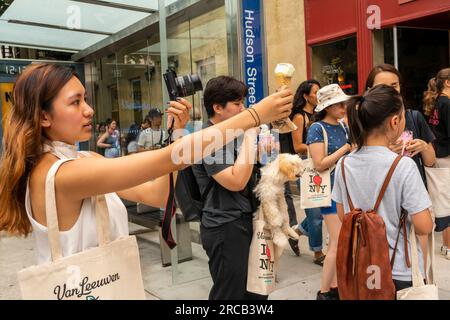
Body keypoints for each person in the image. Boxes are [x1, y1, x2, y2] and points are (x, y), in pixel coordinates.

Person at [0, 63, 293, 267]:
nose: (88, 109)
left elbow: (156, 194)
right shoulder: (62, 173)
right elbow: (168, 159)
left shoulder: (84, 160)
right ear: (43, 117)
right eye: (75, 102)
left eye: (85, 99)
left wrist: (176, 134)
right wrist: (254, 116)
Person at [332, 84, 434, 292]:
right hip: (397, 271)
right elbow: (424, 227)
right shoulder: (403, 165)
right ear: (395, 121)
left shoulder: (343, 164)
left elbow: (343, 216)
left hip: (360, 267)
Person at [192, 76, 266, 300]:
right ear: (217, 107)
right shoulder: (208, 138)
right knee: (230, 294)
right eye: (237, 103)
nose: (243, 108)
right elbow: (236, 181)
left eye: (242, 102)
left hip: (246, 219)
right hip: (225, 226)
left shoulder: (234, 133)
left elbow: (256, 166)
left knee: (256, 291)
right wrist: (251, 134)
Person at [365, 64, 436, 265]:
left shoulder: (414, 117)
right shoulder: (366, 123)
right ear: (370, 90)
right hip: (379, 200)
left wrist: (423, 146)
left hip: (415, 197)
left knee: (418, 259)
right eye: (383, 86)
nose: (390, 90)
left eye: (394, 85)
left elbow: (430, 161)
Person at [306, 84, 352, 300]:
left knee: (340, 241)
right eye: (339, 104)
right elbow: (319, 163)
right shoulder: (317, 128)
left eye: (344, 103)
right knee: (336, 241)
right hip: (329, 191)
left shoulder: (343, 126)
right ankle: (325, 291)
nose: (344, 107)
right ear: (328, 106)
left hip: (344, 190)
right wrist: (346, 148)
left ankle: (334, 286)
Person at [280, 80, 326, 264]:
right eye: (316, 92)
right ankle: (317, 253)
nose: (319, 94)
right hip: (304, 169)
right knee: (316, 215)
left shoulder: (318, 115)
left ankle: (296, 232)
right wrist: (319, 148)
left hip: (318, 168)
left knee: (320, 213)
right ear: (306, 96)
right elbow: (297, 145)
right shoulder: (300, 117)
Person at [427, 68, 450, 260]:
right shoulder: (447, 103)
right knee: (448, 201)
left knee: (445, 200)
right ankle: (449, 246)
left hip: (439, 155)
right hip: (446, 157)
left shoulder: (438, 103)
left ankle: (446, 245)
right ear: (447, 82)